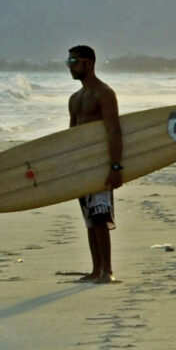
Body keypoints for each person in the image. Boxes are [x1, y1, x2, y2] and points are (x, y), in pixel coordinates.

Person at [66, 45, 123, 283]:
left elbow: (114, 132)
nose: (69, 66)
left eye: (73, 61)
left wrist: (116, 167)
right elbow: (71, 136)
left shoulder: (104, 93)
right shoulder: (75, 99)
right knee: (89, 219)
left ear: (88, 63)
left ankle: (107, 270)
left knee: (100, 216)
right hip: (83, 165)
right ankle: (95, 269)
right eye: (68, 61)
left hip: (101, 163)